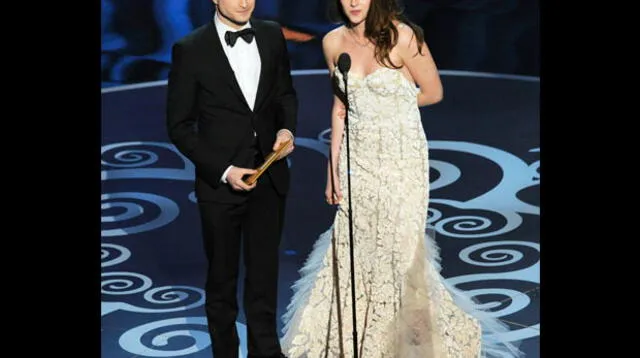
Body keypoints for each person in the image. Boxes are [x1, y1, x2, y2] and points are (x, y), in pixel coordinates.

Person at [280, 0, 523, 357]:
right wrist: (332, 170)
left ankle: (402, 340)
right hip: (357, 161)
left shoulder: (403, 36)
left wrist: (390, 108)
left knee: (398, 250)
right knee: (357, 246)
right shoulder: (332, 42)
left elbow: (433, 92)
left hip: (401, 161)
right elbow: (340, 108)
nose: (353, 2)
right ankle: (356, 339)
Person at [165, 0, 297, 357]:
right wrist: (224, 170)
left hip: (268, 179)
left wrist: (286, 128)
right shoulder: (190, 49)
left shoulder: (270, 35)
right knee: (222, 279)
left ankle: (265, 352)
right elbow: (180, 126)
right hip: (220, 186)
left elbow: (284, 94)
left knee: (264, 276)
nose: (244, 2)